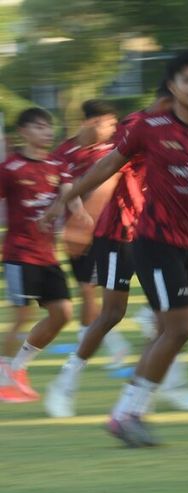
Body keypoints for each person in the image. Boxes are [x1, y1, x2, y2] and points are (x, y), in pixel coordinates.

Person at [45, 50, 188, 447]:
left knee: (168, 328)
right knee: (155, 322)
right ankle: (105, 400)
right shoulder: (147, 127)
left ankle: (131, 408)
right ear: (172, 87)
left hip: (184, 244)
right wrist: (72, 205)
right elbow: (108, 169)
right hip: (146, 240)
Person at [0, 108, 75, 402]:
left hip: (48, 255)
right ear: (24, 132)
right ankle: (4, 374)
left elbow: (69, 192)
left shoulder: (58, 164)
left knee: (63, 313)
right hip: (19, 254)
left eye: (49, 126)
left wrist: (75, 214)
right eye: (40, 127)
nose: (47, 132)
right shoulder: (10, 169)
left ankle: (18, 368)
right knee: (22, 316)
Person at [51, 100, 126, 359]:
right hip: (77, 232)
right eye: (110, 124)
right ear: (93, 122)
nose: (114, 129)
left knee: (97, 288)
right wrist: (79, 214)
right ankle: (92, 341)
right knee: (86, 287)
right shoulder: (63, 153)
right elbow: (66, 188)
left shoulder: (114, 149)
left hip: (111, 230)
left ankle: (107, 343)